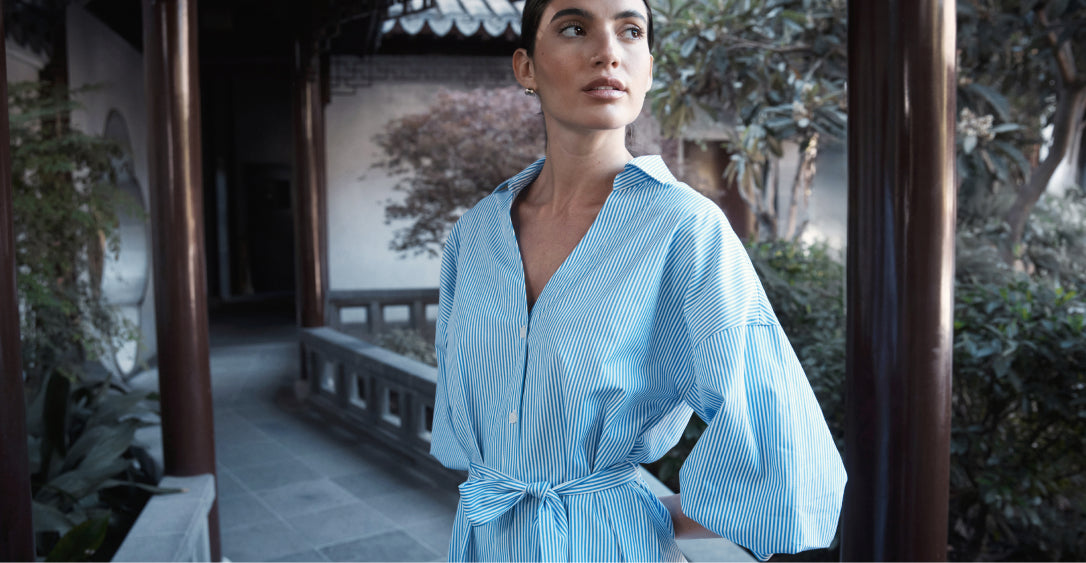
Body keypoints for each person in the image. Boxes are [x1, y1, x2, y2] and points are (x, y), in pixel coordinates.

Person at [429, 0, 847, 559]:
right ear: (526, 67)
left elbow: (783, 443)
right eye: (575, 28)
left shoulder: (683, 228)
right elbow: (460, 424)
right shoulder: (478, 233)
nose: (607, 53)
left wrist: (642, 510)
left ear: (648, 66)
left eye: (631, 31)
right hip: (483, 541)